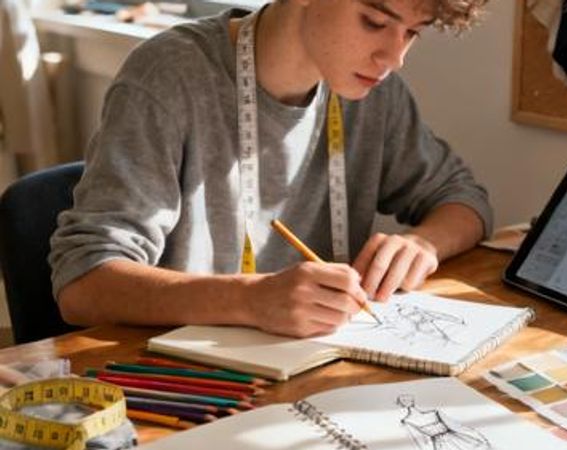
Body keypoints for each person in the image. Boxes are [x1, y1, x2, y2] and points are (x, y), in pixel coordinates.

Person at [48, 0, 493, 338]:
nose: (394, 58)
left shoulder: (376, 95)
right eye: (374, 22)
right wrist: (249, 300)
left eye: (412, 33)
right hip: (186, 387)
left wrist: (423, 244)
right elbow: (83, 284)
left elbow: (465, 200)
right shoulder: (169, 76)